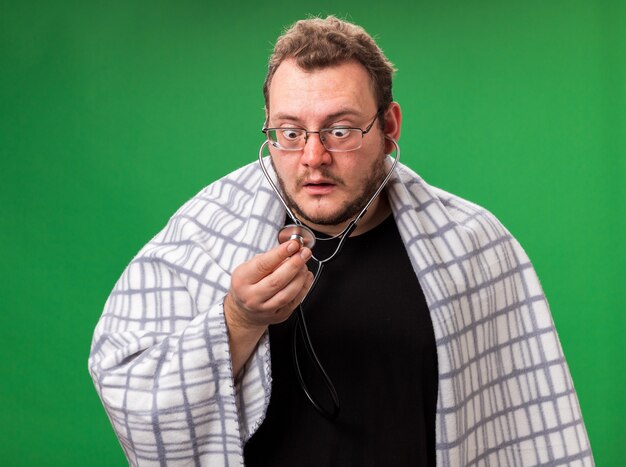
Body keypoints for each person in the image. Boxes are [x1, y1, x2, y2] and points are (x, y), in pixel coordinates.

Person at [89, 16, 593, 466]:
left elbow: (523, 427)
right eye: (290, 132)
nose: (313, 157)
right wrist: (239, 319)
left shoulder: (473, 246)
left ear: (389, 126)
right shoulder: (204, 234)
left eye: (341, 129)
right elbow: (129, 388)